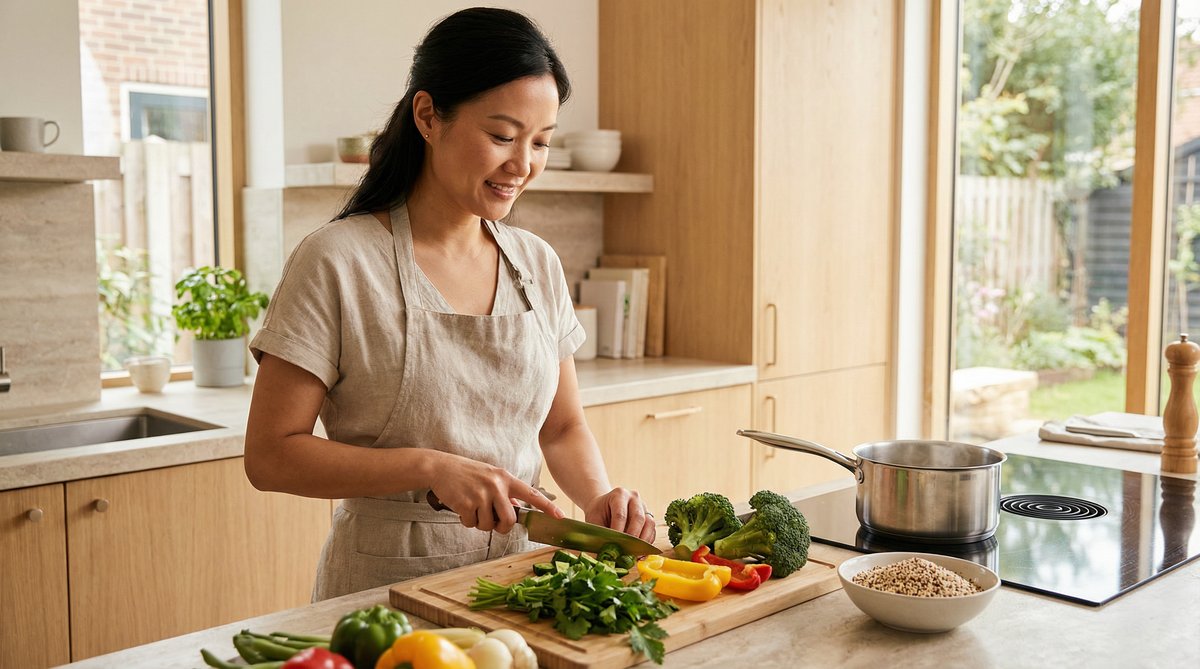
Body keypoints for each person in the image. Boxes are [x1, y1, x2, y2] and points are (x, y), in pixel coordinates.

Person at [243, 7, 654, 601]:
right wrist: (430, 467)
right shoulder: (337, 260)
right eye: (502, 136)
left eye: (541, 142)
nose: (522, 165)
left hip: (522, 580)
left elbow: (563, 427)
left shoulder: (537, 262)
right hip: (385, 590)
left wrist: (598, 501)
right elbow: (270, 456)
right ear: (428, 116)